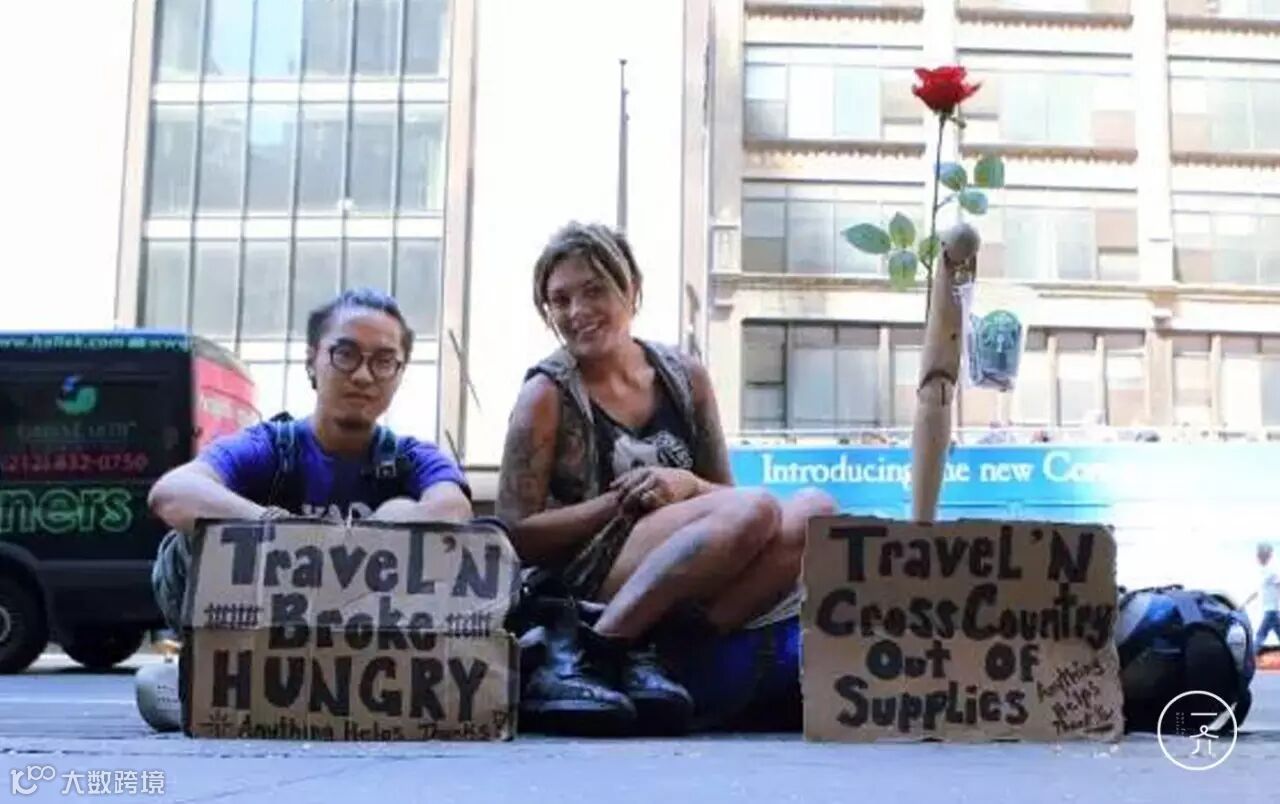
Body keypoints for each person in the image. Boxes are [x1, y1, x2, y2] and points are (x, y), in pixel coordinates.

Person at [498, 222, 836, 735]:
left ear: (631, 288)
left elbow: (724, 495)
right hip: (591, 574)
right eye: (560, 300)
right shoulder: (546, 394)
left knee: (815, 512)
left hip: (690, 559)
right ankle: (598, 646)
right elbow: (515, 535)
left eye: (594, 290)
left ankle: (668, 651)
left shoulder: (684, 376)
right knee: (756, 508)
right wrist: (621, 503)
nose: (577, 311)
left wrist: (686, 485)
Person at [136, 289, 473, 732]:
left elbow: (453, 509)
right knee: (188, 539)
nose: (363, 375)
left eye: (383, 361)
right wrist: (282, 532)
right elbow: (172, 493)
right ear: (312, 361)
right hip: (262, 631)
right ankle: (212, 677)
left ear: (399, 373)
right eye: (345, 355)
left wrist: (366, 537)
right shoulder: (271, 445)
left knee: (419, 521)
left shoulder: (411, 456)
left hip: (366, 641)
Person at [1242, 542, 1279, 653]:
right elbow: (1258, 591)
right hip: (1271, 610)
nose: (1257, 558)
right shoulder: (1263, 572)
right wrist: (1245, 603)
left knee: (1260, 636)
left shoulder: (1271, 571)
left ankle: (1249, 657)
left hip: (1271, 610)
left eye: (1259, 555)